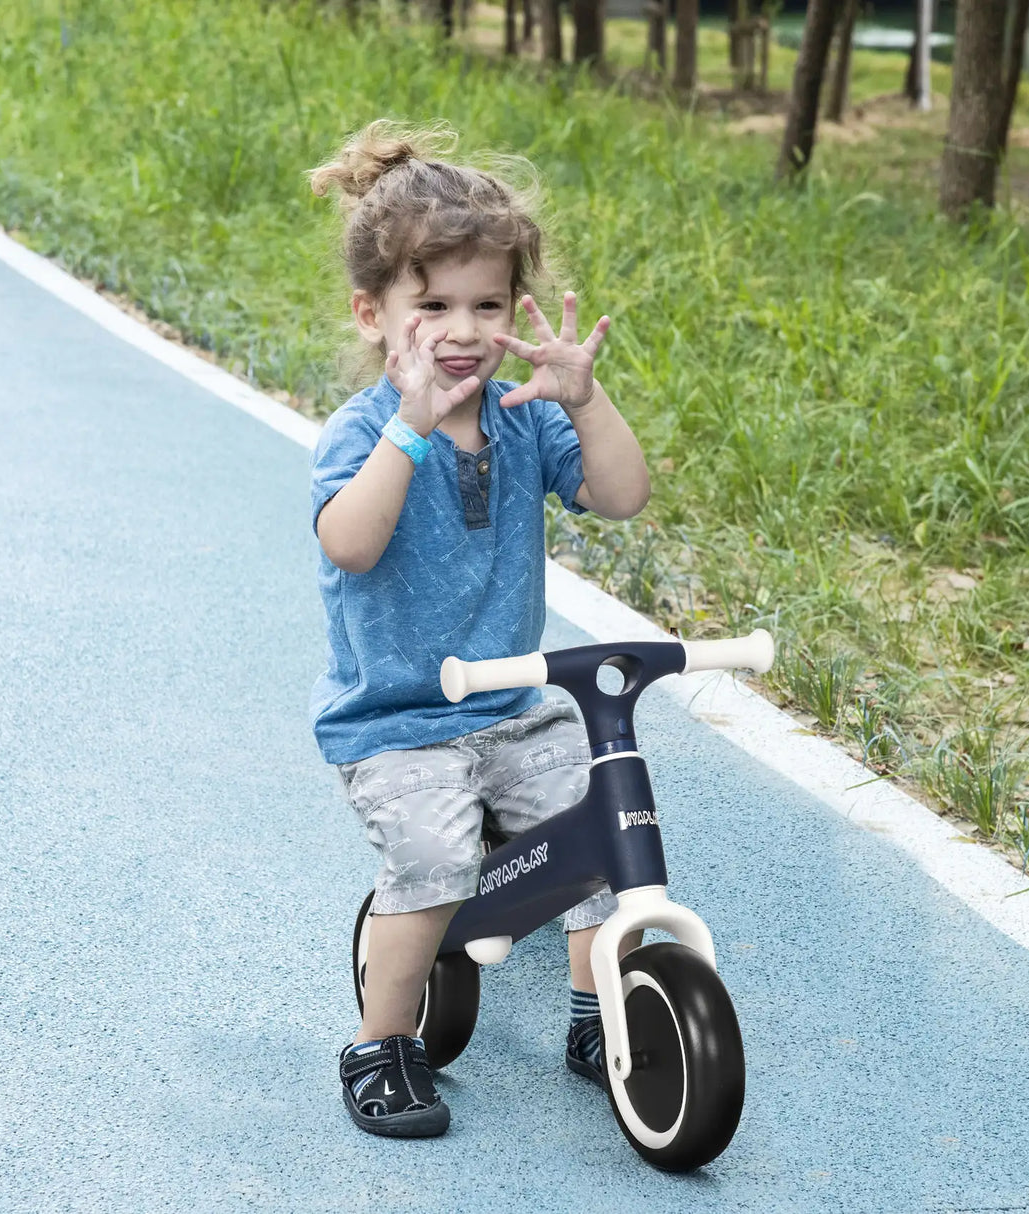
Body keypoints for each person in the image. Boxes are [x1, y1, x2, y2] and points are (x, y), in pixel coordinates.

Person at [308, 120, 651, 1139]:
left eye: (486, 303)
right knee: (431, 860)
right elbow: (350, 544)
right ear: (375, 316)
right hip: (400, 718)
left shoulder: (524, 418)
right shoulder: (363, 433)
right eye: (433, 305)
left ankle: (604, 1018)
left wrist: (584, 403)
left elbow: (621, 495)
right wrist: (410, 430)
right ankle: (381, 1039)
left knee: (607, 830)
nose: (461, 329)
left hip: (510, 699)